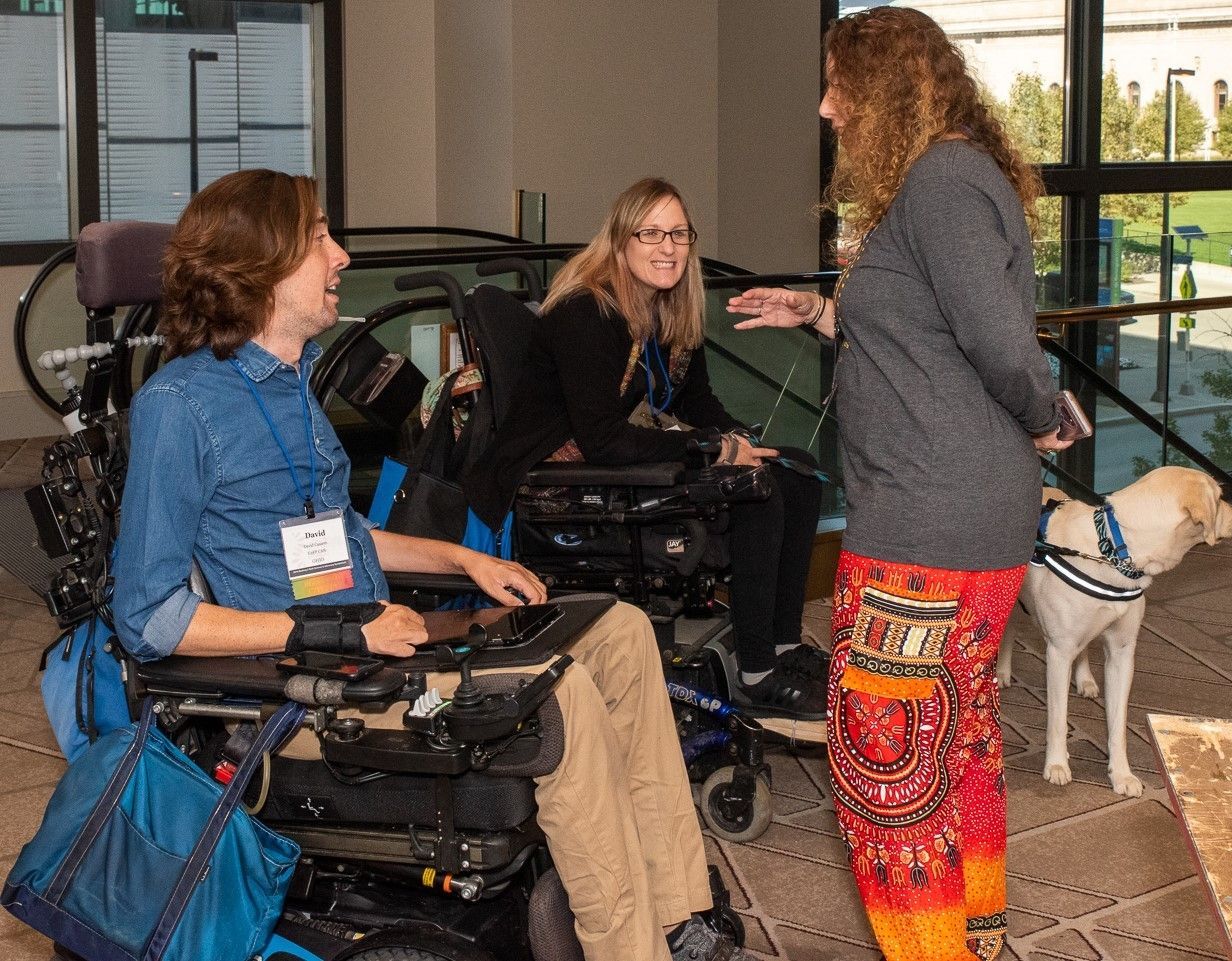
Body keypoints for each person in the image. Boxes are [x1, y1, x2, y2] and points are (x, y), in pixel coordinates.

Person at [112, 169, 752, 961]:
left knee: (618, 630)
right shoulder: (180, 407)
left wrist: (460, 558)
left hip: (374, 649)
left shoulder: (288, 386)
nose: (340, 254)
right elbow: (148, 618)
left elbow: (336, 535)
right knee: (562, 694)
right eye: (318, 236)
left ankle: (677, 916)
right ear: (262, 264)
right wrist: (335, 627)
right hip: (309, 695)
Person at [727, 9, 1072, 961]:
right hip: (953, 518)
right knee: (954, 742)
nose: (827, 105)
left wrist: (1045, 412)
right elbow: (925, 329)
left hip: (928, 528)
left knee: (885, 767)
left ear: (885, 88)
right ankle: (975, 941)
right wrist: (817, 310)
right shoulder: (945, 180)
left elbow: (998, 341)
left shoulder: (944, 180)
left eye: (841, 83)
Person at [465, 177, 827, 726]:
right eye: (651, 233)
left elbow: (698, 400)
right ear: (620, 241)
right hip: (561, 477)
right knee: (758, 494)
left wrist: (742, 441)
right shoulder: (586, 311)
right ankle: (755, 673)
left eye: (678, 234)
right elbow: (602, 437)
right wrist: (709, 448)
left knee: (799, 470)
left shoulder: (670, 310)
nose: (667, 248)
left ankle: (779, 647)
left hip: (621, 453)